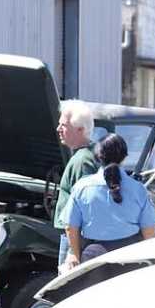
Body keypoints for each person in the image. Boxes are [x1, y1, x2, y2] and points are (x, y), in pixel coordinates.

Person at [63, 133, 155, 269]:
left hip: (93, 260)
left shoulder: (81, 188)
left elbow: (70, 227)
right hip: (132, 259)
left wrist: (75, 255)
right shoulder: (138, 189)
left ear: (97, 157)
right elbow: (149, 232)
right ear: (125, 156)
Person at [53, 100, 99, 268]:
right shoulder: (89, 155)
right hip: (77, 236)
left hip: (75, 238)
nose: (58, 129)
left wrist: (73, 251)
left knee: (67, 288)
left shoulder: (82, 161)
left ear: (80, 130)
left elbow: (83, 208)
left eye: (63, 125)